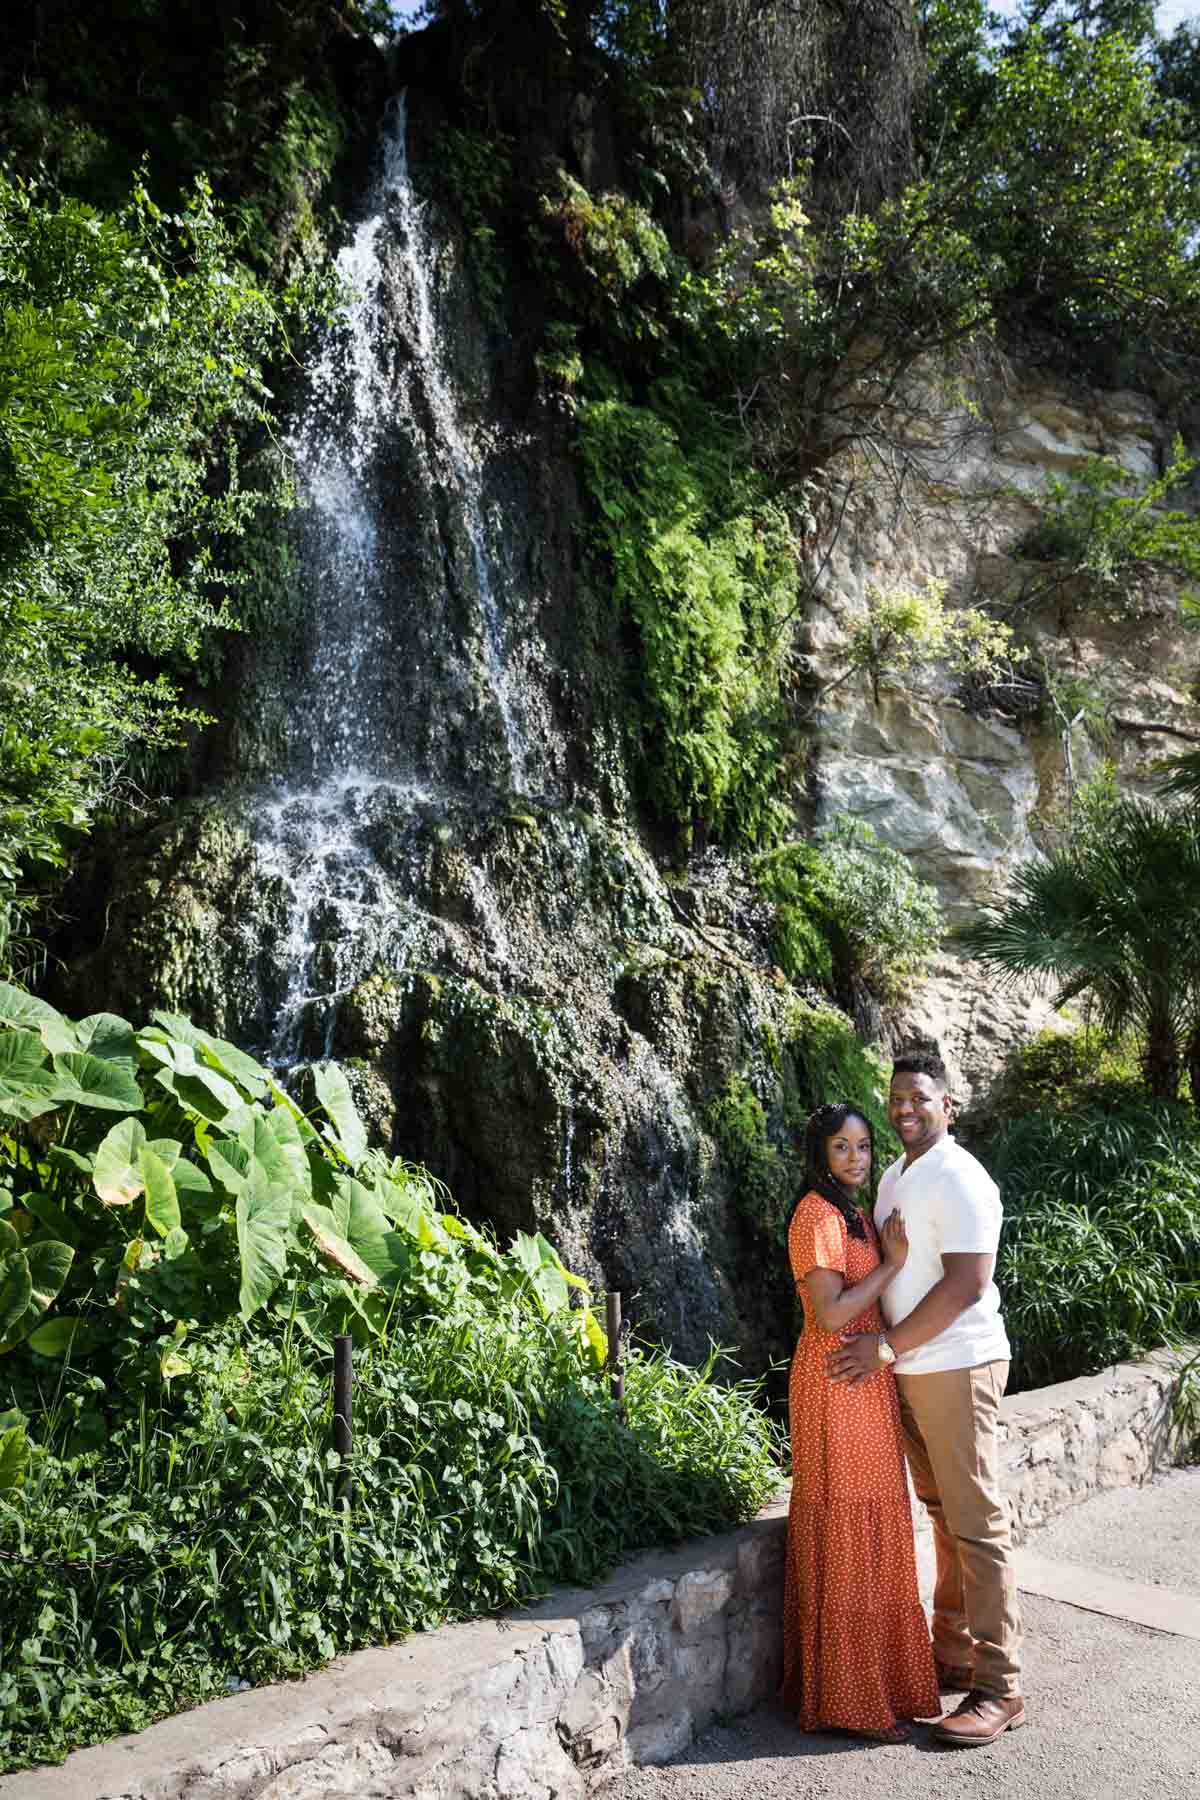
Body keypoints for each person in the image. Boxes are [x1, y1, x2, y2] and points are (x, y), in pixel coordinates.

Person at [826, 1052, 1026, 1748]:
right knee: (943, 1514)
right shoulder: (893, 1175)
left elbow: (969, 1284)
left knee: (976, 1522)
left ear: (948, 1104)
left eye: (918, 1097)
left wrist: (885, 1346)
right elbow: (902, 1268)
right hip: (912, 1365)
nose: (904, 1107)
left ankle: (1000, 1687)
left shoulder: (963, 1176)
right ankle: (956, 1650)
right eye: (895, 1097)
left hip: (958, 1362)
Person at [781, 1101, 940, 1741]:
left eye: (864, 1147)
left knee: (876, 1513)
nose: (855, 1158)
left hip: (866, 1377)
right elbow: (831, 1315)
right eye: (842, 1147)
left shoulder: (852, 1211)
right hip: (834, 1377)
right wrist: (894, 1265)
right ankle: (845, 1696)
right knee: (846, 1516)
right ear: (821, 1152)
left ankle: (884, 1683)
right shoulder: (814, 1215)